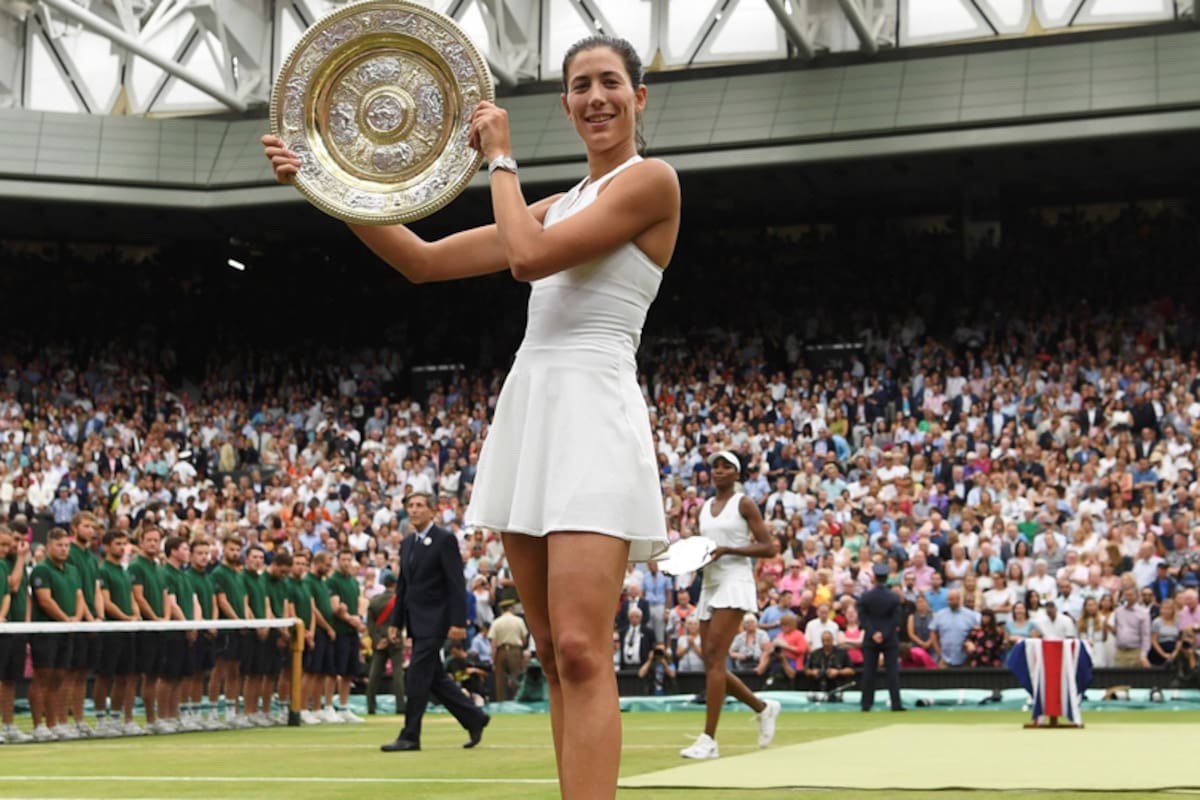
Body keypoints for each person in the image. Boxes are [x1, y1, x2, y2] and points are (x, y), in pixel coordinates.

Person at [267, 32, 680, 797]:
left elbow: (526, 258)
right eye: (581, 85)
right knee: (553, 649)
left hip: (594, 411)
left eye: (611, 82)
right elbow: (422, 261)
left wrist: (500, 158)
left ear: (639, 97)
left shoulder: (651, 181)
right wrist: (321, 184)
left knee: (586, 649)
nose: (596, 97)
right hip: (533, 409)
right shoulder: (561, 202)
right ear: (566, 102)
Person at [680, 451, 781, 761]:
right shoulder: (704, 509)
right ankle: (763, 708)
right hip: (710, 583)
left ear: (737, 474)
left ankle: (709, 740)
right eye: (715, 466)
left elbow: (768, 547)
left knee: (713, 658)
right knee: (714, 663)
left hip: (735, 581)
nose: (719, 471)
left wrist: (728, 549)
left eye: (726, 467)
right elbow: (708, 547)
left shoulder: (744, 503)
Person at [382, 492, 490, 752]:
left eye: (420, 505)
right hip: (415, 620)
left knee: (417, 676)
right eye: (411, 505)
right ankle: (474, 717)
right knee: (433, 678)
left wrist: (458, 622)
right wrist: (396, 622)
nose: (415, 510)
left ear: (432, 511)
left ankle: (410, 735)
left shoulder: (444, 540)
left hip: (436, 620)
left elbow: (455, 584)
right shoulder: (408, 544)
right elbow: (403, 587)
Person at [29, 528, 84, 741]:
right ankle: (38, 726)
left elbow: (79, 595)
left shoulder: (72, 569)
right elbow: (45, 600)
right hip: (46, 631)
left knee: (60, 678)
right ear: (49, 546)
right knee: (43, 677)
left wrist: (76, 620)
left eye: (66, 545)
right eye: (59, 545)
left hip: (67, 632)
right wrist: (65, 619)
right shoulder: (41, 570)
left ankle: (54, 724)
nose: (63, 549)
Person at [0, 526, 33, 743]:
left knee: (10, 680)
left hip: (16, 630)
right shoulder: (7, 564)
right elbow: (12, 586)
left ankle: (10, 726)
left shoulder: (8, 563)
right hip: (5, 629)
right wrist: (21, 558)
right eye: (5, 543)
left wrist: (27, 626)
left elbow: (22, 595)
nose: (12, 546)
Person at [326, 548, 367, 723]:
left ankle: (344, 706)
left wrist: (358, 618)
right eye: (343, 559)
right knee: (334, 671)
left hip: (351, 632)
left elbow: (359, 602)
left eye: (349, 560)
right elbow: (336, 607)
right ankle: (328, 706)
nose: (346, 563)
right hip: (340, 630)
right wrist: (353, 620)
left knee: (349, 672)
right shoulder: (332, 581)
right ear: (337, 561)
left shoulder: (353, 582)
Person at [857, 562, 904, 711]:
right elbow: (895, 620)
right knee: (892, 672)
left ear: (875, 578)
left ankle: (866, 704)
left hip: (871, 638)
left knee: (869, 672)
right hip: (889, 638)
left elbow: (863, 619)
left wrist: (873, 633)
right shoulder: (894, 597)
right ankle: (896, 704)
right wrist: (884, 634)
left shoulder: (865, 597)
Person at [365, 573, 404, 716]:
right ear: (395, 585)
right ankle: (400, 706)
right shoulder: (399, 600)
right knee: (397, 674)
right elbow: (404, 619)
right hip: (396, 640)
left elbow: (370, 624)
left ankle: (371, 706)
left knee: (374, 675)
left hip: (380, 640)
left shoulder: (375, 601)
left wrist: (376, 640)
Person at [489, 596, 529, 701]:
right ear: (511, 608)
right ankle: (517, 701)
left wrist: (493, 659)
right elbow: (524, 639)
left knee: (499, 681)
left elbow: (493, 643)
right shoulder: (519, 621)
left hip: (500, 651)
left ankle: (500, 702)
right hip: (515, 650)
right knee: (516, 677)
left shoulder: (496, 622)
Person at [930, 589, 980, 667]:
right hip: (945, 659)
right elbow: (933, 633)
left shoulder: (970, 615)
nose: (949, 602)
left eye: (952, 599)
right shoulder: (940, 615)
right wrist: (939, 652)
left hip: (965, 660)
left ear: (959, 599)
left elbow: (978, 633)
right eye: (948, 600)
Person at [803, 630, 855, 699]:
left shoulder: (841, 653)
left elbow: (851, 670)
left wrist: (838, 672)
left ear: (833, 640)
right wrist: (813, 672)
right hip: (817, 690)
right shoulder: (815, 654)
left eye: (828, 641)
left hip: (837, 689)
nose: (826, 643)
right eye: (824, 641)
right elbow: (806, 670)